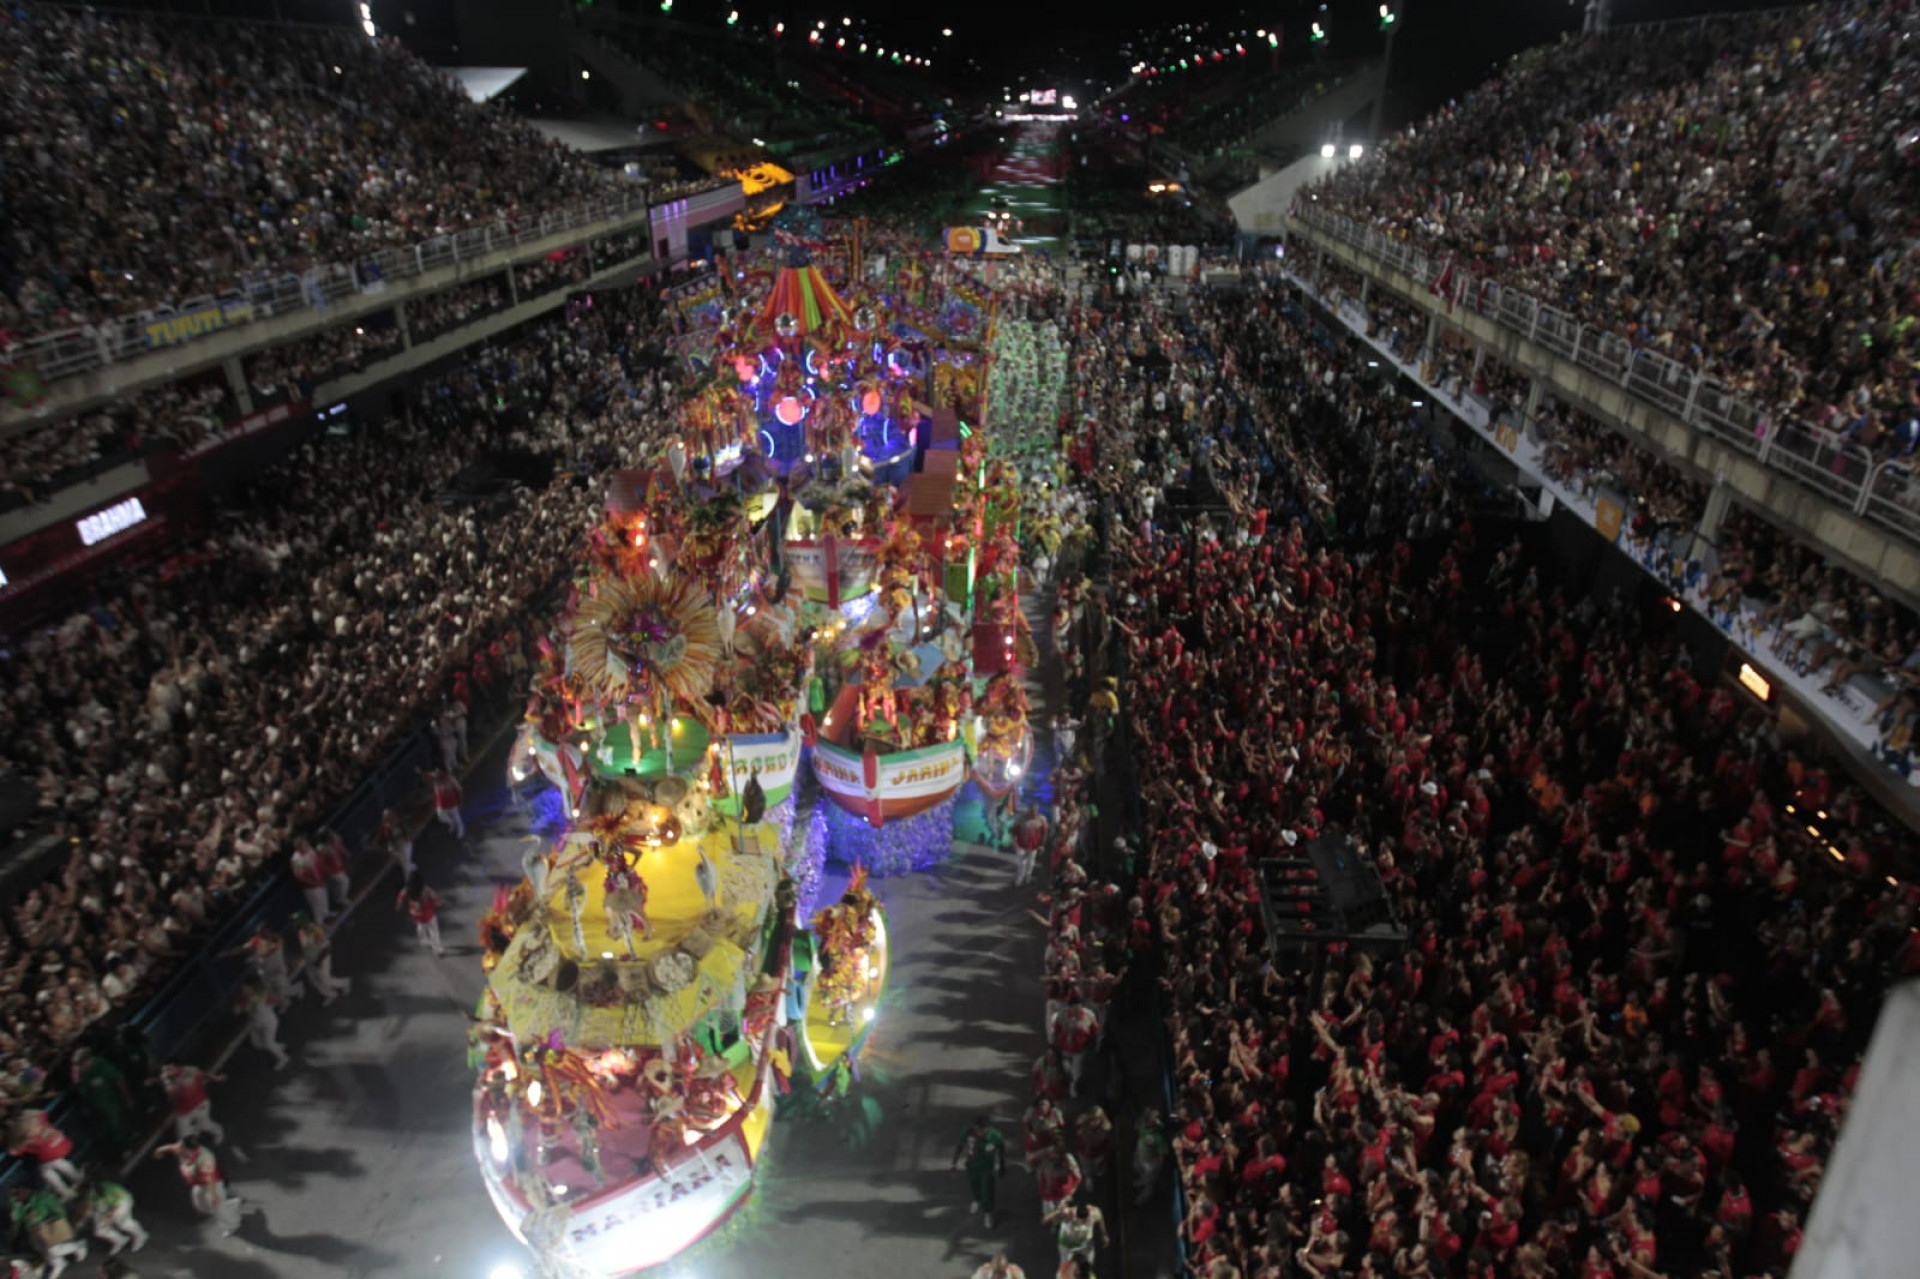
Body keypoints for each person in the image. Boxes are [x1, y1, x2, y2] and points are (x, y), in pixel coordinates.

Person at [155, 1137, 248, 1236]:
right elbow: (170, 1147)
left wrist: (213, 1195)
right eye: (180, 1146)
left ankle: (234, 1224)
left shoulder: (205, 1157)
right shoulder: (180, 1148)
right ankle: (232, 1204)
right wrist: (159, 1151)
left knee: (217, 1207)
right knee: (201, 1206)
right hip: (198, 1184)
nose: (179, 1148)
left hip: (213, 1185)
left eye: (183, 1147)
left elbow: (210, 1177)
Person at [7, 1187, 85, 1279]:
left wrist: (56, 1220)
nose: (15, 1197)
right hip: (33, 1231)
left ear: (25, 1190)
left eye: (17, 1193)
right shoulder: (18, 1205)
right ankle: (59, 1263)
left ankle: (77, 1246)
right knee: (42, 1250)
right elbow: (18, 1221)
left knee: (53, 1249)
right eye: (13, 1195)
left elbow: (57, 1209)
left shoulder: (41, 1198)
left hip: (48, 1227)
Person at [7, 1112, 81, 1201]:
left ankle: (75, 1181)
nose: (33, 1128)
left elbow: (41, 1114)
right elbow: (14, 1151)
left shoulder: (41, 1124)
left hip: (56, 1153)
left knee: (57, 1167)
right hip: (49, 1158)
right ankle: (68, 1188)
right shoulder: (29, 1140)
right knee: (48, 1172)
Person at [951, 1115, 1008, 1229]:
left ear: (988, 1128)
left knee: (987, 1192)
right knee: (975, 1186)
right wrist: (954, 1162)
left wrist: (1002, 1166)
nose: (980, 1132)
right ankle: (976, 1199)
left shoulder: (996, 1136)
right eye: (979, 1129)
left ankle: (988, 1213)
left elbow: (1001, 1151)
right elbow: (960, 1146)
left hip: (987, 1168)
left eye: (984, 1130)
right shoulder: (968, 1132)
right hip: (972, 1166)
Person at [157, 1063, 225, 1144]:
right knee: (182, 1135)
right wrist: (163, 1079)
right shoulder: (169, 1080)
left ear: (174, 1065)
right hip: (183, 1110)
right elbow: (169, 1090)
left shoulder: (189, 1071)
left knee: (205, 1126)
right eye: (165, 1070)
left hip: (199, 1104)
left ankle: (217, 1131)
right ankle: (189, 1145)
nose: (168, 1071)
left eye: (168, 1068)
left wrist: (216, 1078)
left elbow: (203, 1075)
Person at [292, 914, 350, 1003]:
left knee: (325, 980)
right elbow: (306, 948)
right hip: (310, 960)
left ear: (303, 922)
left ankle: (345, 982)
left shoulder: (314, 930)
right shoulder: (301, 932)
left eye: (297, 923)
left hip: (322, 957)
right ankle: (331, 994)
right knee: (315, 981)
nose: (295, 925)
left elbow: (327, 948)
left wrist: (319, 961)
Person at [78, 1183, 146, 1256]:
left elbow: (118, 1203)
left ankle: (141, 1235)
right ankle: (120, 1240)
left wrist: (109, 1218)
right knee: (99, 1231)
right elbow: (92, 1208)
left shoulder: (111, 1189)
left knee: (123, 1223)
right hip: (107, 1206)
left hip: (123, 1202)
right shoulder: (90, 1196)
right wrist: (83, 1220)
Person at [234, 982, 290, 1071]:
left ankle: (283, 1058)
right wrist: (242, 1005)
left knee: (268, 1043)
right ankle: (276, 1046)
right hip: (256, 1024)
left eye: (247, 988)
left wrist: (280, 1004)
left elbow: (274, 1000)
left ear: (251, 988)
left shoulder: (261, 994)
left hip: (269, 1022)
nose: (246, 991)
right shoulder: (242, 1000)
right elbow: (236, 1011)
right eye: (243, 990)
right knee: (257, 1044)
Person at [1047, 1199, 1109, 1272]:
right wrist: (1058, 1212)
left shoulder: (1094, 1212)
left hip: (1085, 1243)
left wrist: (1104, 1234)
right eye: (1080, 1220)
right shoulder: (1068, 1213)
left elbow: (1100, 1219)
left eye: (1085, 1220)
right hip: (1067, 1244)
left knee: (1087, 1267)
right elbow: (1046, 1219)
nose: (1083, 1223)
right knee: (1065, 1268)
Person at [398, 869, 445, 957]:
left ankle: (423, 940)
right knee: (434, 931)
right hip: (428, 914)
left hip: (416, 913)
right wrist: (439, 902)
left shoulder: (408, 889)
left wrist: (399, 904)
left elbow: (401, 895)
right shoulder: (426, 890)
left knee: (420, 925)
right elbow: (436, 901)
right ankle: (438, 950)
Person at [289, 841, 332, 924]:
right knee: (317, 906)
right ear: (299, 848)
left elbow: (318, 861)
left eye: (306, 844)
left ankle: (327, 915)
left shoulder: (310, 850)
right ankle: (320, 924)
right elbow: (299, 876)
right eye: (304, 845)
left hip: (320, 879)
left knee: (324, 899)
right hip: (310, 886)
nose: (307, 845)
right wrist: (313, 882)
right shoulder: (296, 859)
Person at [1012, 804, 1049, 887]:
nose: (1033, 812)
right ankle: (1018, 882)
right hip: (1021, 845)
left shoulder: (1042, 819)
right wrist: (1014, 844)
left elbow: (1045, 833)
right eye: (1032, 810)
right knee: (1022, 864)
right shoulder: (1021, 818)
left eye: (1035, 810)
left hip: (1034, 846)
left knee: (1030, 864)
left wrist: (1042, 845)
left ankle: (1027, 879)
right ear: (1028, 810)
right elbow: (1014, 832)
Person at [429, 768, 466, 838]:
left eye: (437, 772)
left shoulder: (449, 778)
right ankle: (452, 823)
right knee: (441, 817)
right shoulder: (435, 779)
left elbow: (459, 789)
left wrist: (460, 801)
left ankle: (461, 829)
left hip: (451, 802)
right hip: (441, 804)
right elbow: (435, 792)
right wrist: (419, 772)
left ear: (441, 771)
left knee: (456, 817)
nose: (435, 774)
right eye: (435, 772)